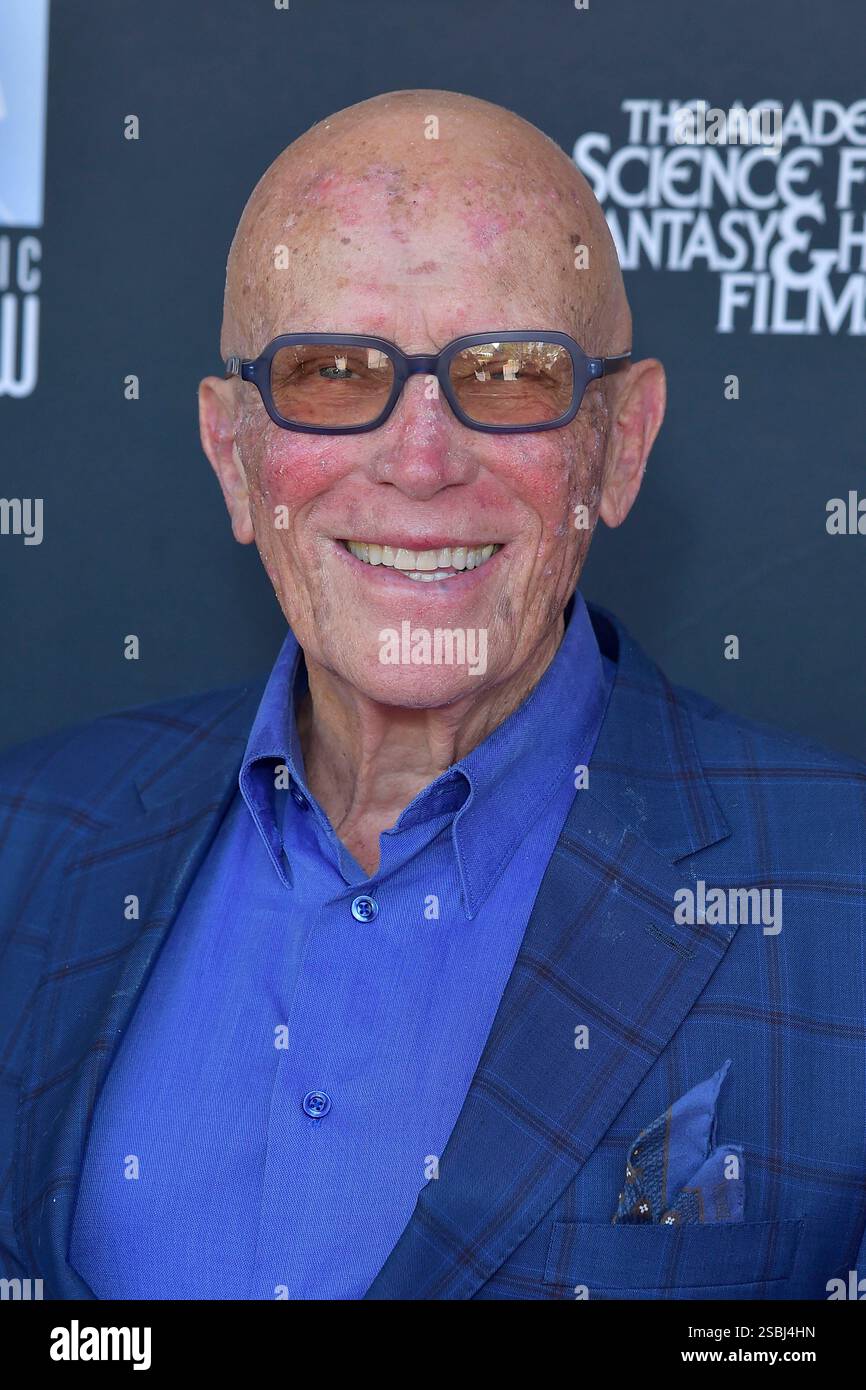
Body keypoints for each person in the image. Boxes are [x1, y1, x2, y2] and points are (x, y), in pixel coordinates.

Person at [1, 90, 864, 1301]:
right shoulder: (29, 839)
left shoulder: (839, 898)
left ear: (619, 445)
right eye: (329, 372)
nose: (419, 461)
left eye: (508, 374)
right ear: (233, 456)